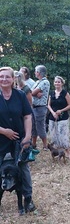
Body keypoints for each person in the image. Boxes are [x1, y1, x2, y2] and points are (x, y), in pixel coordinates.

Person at [0, 66, 36, 212]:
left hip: (19, 141)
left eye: (7, 76)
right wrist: (3, 131)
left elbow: (27, 116)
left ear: (13, 78)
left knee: (23, 168)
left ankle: (28, 200)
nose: (4, 79)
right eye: (1, 77)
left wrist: (27, 137)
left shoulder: (20, 95)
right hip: (1, 140)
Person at [47, 76, 70, 160]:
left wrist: (60, 111)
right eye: (55, 82)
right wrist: (53, 113)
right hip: (52, 117)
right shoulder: (51, 93)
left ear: (62, 83)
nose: (57, 83)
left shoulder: (65, 93)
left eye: (59, 82)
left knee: (63, 135)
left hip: (63, 118)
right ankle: (57, 152)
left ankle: (68, 152)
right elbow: (48, 105)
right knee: (54, 136)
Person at [31, 65, 50, 150]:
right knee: (33, 126)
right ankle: (33, 144)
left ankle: (45, 145)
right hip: (34, 107)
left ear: (38, 72)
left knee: (40, 126)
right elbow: (30, 92)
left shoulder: (45, 82)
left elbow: (32, 92)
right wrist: (34, 93)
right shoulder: (37, 82)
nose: (35, 73)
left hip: (40, 108)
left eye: (36, 71)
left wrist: (34, 93)